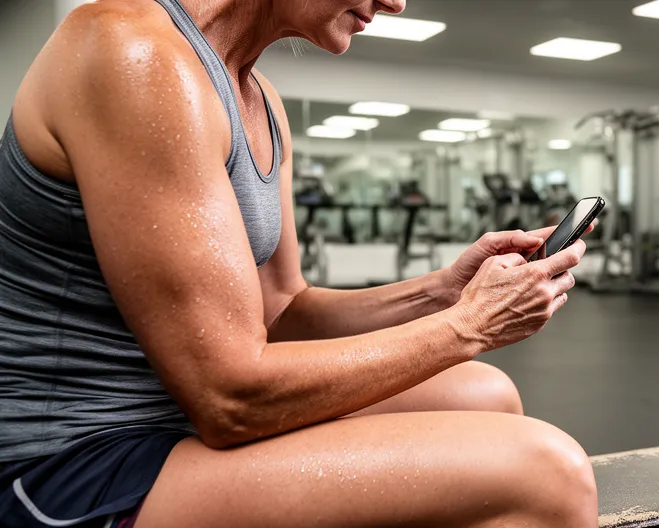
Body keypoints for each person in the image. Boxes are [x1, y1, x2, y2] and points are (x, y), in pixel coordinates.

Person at [0, 0, 597, 526]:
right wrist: (468, 326)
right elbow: (230, 395)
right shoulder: (133, 52)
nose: (395, 2)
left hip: (172, 417)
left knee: (483, 394)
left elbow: (283, 309)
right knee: (549, 474)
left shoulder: (261, 101)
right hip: (74, 462)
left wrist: (442, 292)